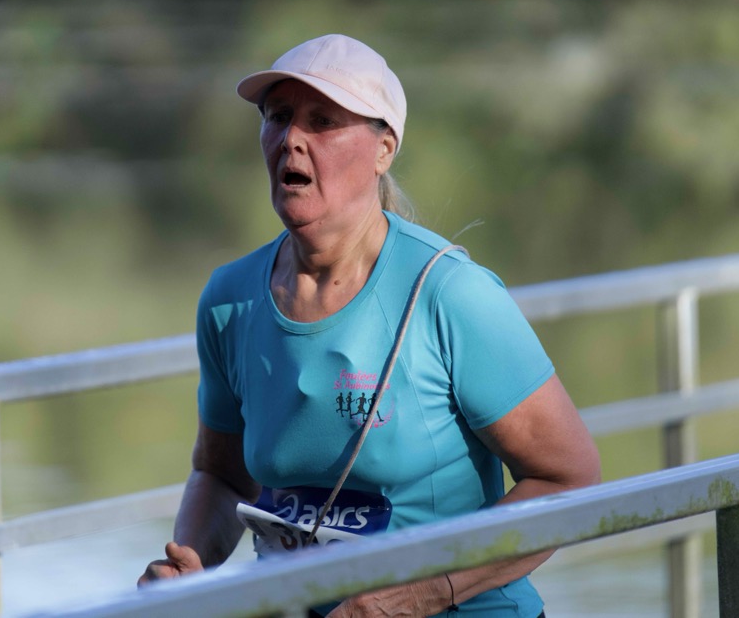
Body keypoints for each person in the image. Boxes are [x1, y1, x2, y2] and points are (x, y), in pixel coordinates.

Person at [139, 34, 600, 617]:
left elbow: (568, 480)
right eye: (278, 117)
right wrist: (192, 567)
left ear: (383, 149)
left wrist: (410, 597)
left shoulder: (450, 293)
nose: (291, 140)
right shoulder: (228, 300)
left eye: (323, 121)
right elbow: (223, 476)